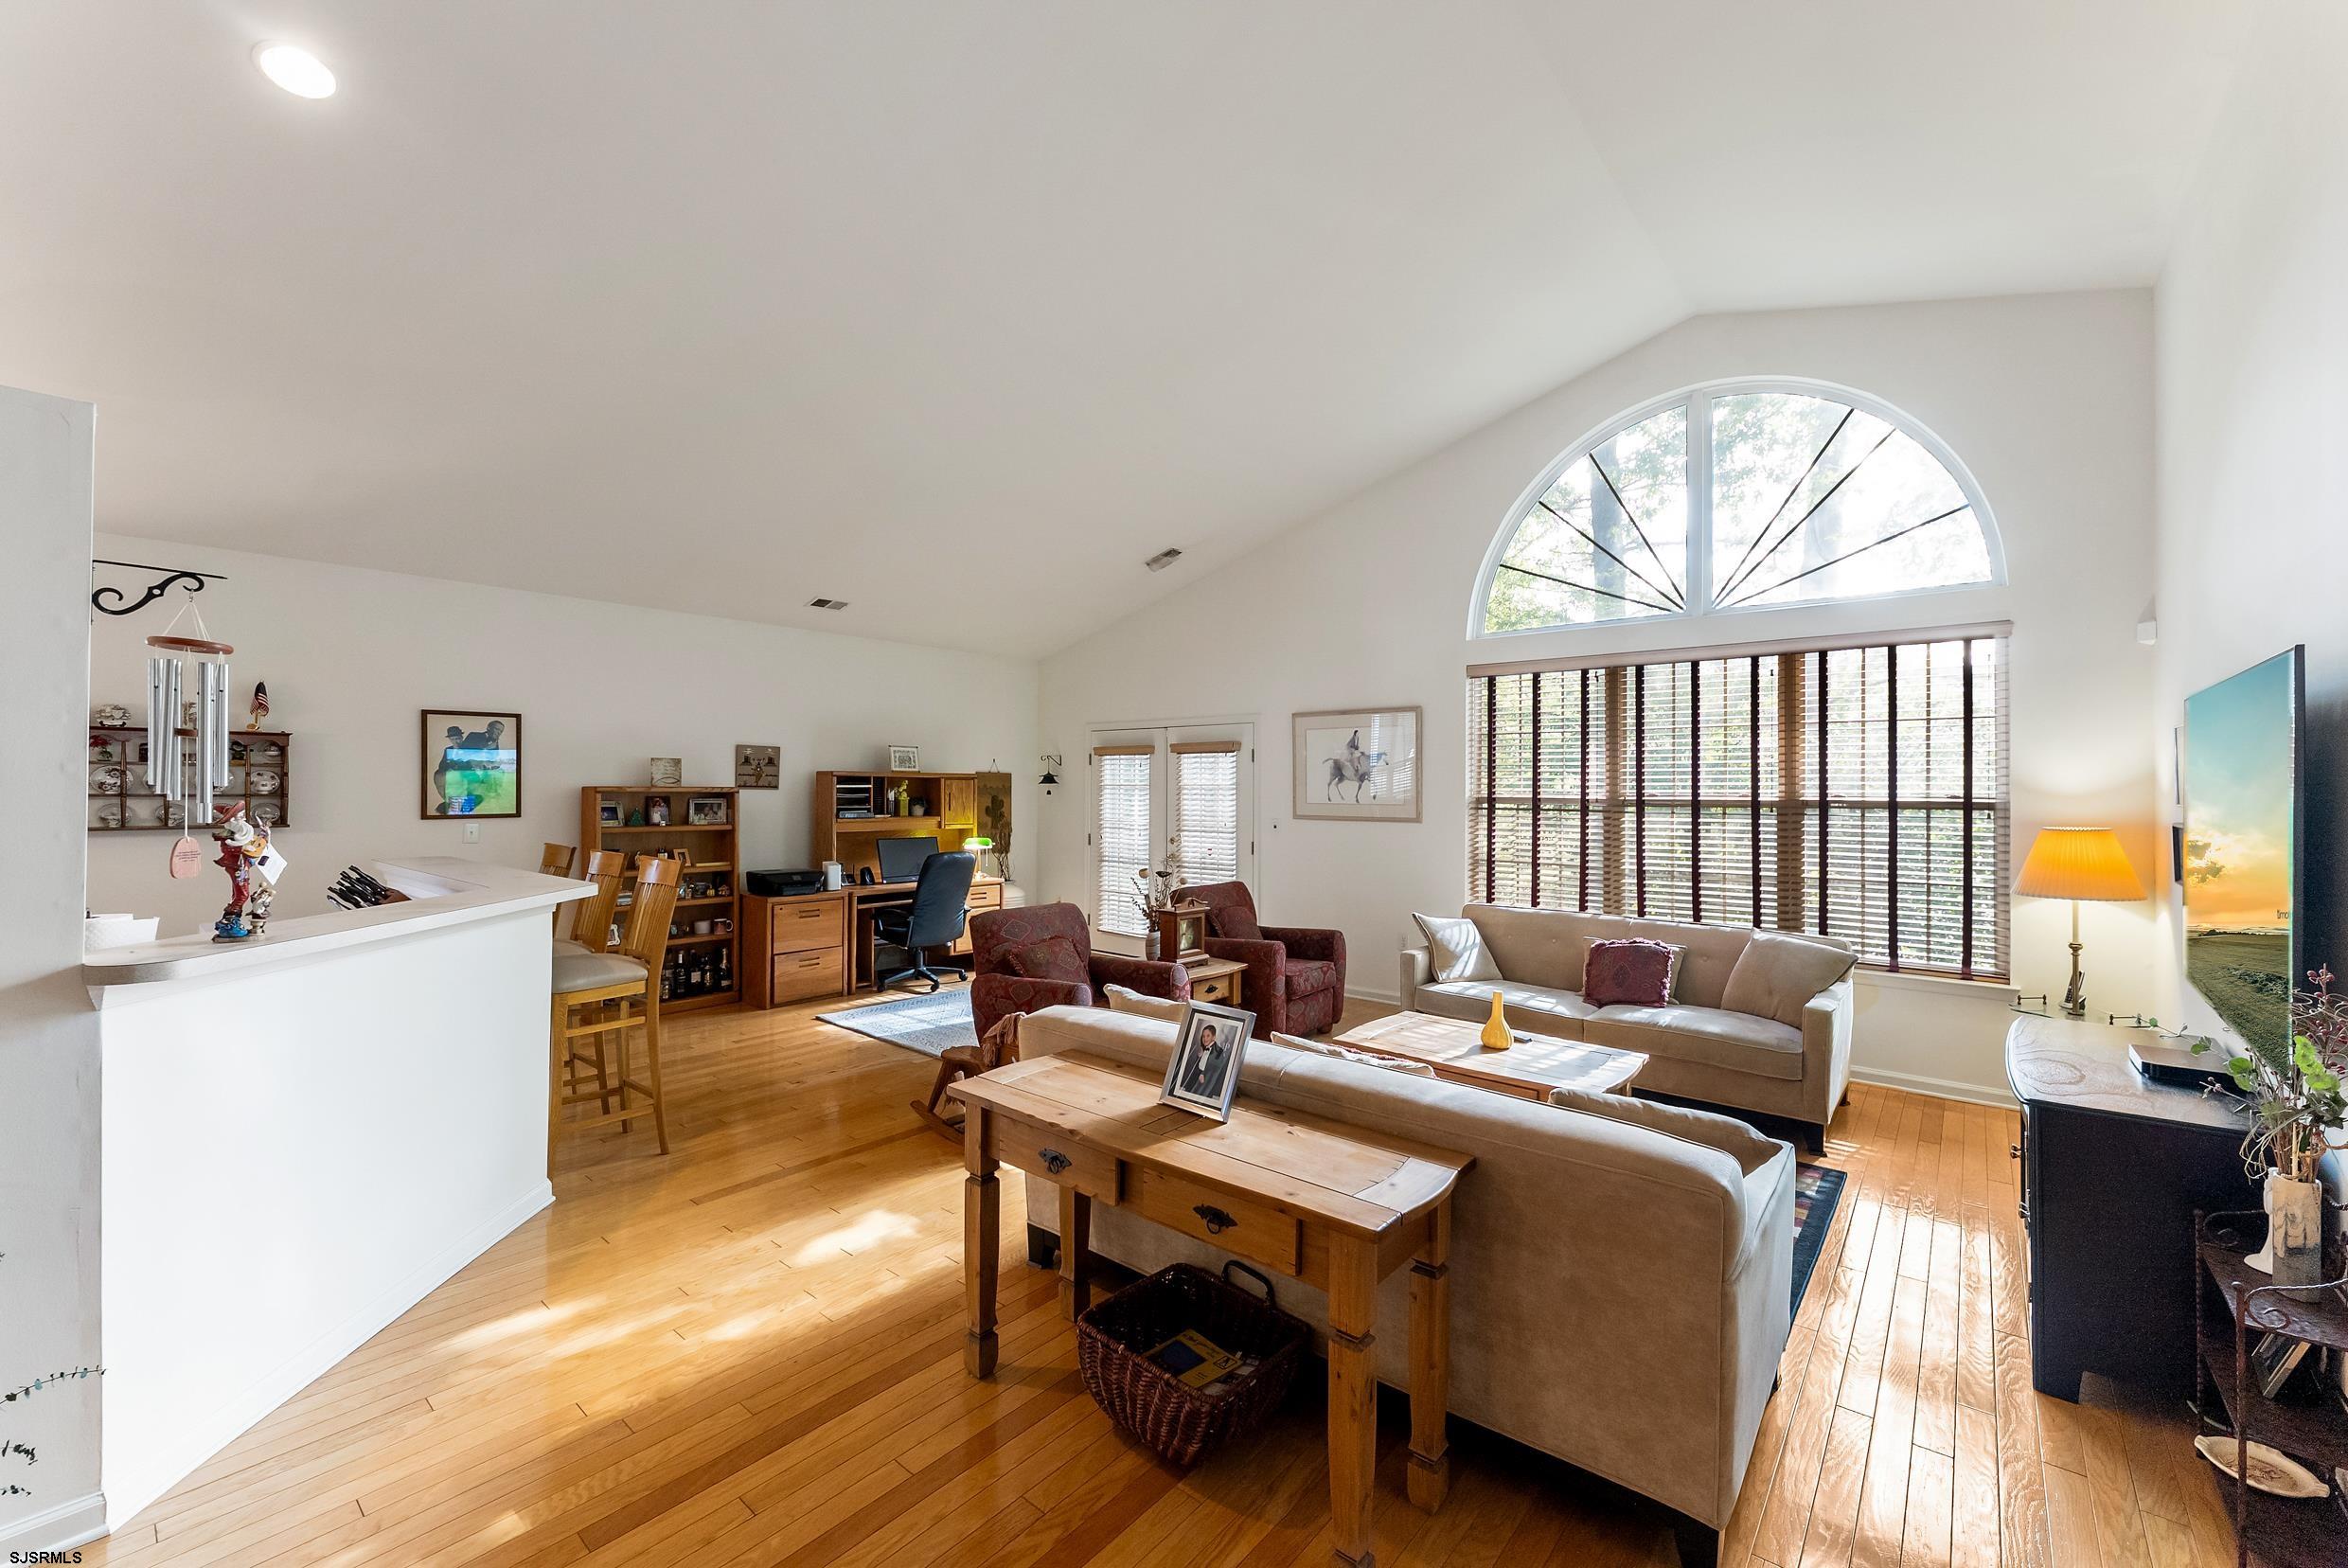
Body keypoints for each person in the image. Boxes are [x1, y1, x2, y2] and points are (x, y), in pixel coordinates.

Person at [1182, 1021, 1232, 1098]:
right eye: (1203, 1036)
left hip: (1206, 1079)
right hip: (1197, 1076)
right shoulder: (1204, 1048)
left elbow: (1214, 1065)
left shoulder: (1219, 1051)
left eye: (1208, 1036)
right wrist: (1200, 1057)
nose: (1205, 1039)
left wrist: (1203, 1073)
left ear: (1214, 1037)